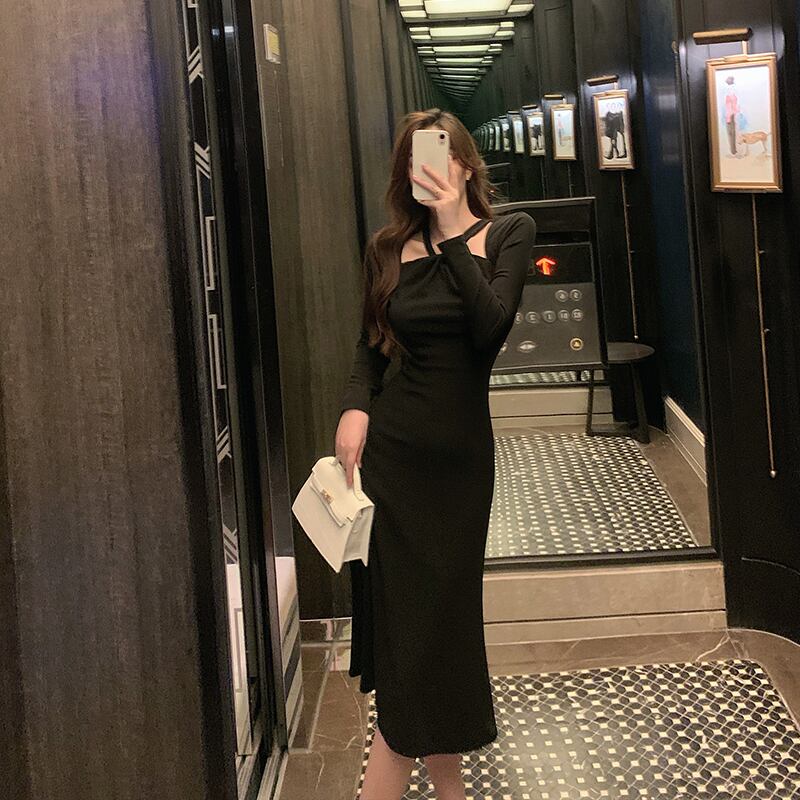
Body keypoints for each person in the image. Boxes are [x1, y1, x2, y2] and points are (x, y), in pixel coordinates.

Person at [334, 108, 536, 800]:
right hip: (391, 464)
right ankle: (446, 789)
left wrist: (452, 230)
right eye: (415, 162)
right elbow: (369, 347)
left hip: (457, 471)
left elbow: (490, 331)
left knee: (442, 630)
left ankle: (424, 770)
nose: (427, 173)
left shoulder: (508, 233)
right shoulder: (387, 248)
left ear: (466, 165)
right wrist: (355, 406)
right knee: (411, 639)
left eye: (440, 158)